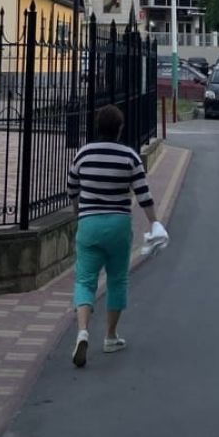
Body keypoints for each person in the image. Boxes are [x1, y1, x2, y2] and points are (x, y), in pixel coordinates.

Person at [66, 103, 161, 367]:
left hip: (89, 223)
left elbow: (72, 188)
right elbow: (143, 194)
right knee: (117, 279)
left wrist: (79, 212)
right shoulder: (129, 156)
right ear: (120, 129)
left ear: (98, 127)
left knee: (85, 280)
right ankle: (110, 336)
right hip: (119, 224)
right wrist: (154, 223)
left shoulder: (84, 154)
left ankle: (82, 331)